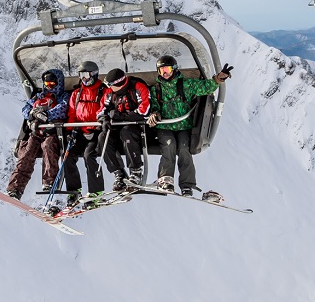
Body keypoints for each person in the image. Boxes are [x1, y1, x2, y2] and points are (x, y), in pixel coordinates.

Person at [147, 55, 232, 196]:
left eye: (167, 69)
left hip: (183, 126)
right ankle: (165, 180)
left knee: (184, 149)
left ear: (174, 69)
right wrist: (155, 114)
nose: (165, 73)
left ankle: (187, 184)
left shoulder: (186, 85)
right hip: (165, 127)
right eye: (161, 71)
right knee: (169, 146)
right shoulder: (156, 89)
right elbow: (154, 106)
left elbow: (205, 87)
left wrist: (218, 79)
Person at [5, 69, 69, 201]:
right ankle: (15, 188)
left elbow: (63, 109)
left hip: (52, 132)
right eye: (47, 84)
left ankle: (49, 182)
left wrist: (47, 115)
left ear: (58, 83)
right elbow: (26, 108)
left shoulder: (63, 96)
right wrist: (32, 113)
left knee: (48, 147)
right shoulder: (39, 96)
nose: (49, 87)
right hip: (36, 132)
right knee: (27, 153)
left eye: (52, 84)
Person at [97, 67, 151, 192]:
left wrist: (122, 116)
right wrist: (104, 119)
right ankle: (119, 173)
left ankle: (136, 171)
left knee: (127, 132)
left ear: (118, 83)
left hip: (138, 125)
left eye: (110, 85)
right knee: (102, 137)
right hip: (117, 126)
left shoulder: (137, 87)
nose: (108, 88)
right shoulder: (110, 93)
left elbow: (144, 110)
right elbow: (101, 109)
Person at [61, 60, 105, 210]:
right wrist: (71, 131)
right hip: (80, 131)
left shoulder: (103, 91)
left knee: (89, 156)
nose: (84, 78)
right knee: (67, 155)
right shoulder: (76, 93)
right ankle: (74, 190)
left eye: (87, 75)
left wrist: (101, 122)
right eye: (81, 75)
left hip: (97, 131)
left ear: (94, 74)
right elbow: (72, 113)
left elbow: (104, 109)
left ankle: (95, 192)